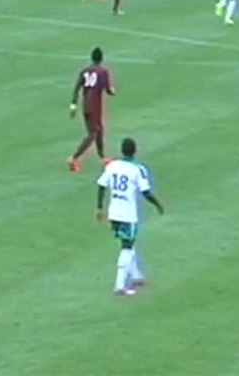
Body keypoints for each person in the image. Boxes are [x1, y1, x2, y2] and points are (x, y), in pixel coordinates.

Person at [94, 137, 164, 297]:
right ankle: (119, 285)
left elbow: (101, 185)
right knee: (127, 247)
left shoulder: (112, 166)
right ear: (135, 151)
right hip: (128, 215)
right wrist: (158, 204)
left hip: (114, 213)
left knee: (128, 244)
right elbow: (145, 192)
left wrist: (99, 207)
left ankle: (136, 276)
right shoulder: (137, 169)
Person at [69, 46, 115, 172]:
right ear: (101, 59)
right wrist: (112, 91)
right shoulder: (103, 72)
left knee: (99, 130)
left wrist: (73, 105)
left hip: (86, 106)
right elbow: (108, 90)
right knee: (92, 134)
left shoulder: (84, 71)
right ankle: (74, 158)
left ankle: (103, 157)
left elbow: (77, 88)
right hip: (95, 107)